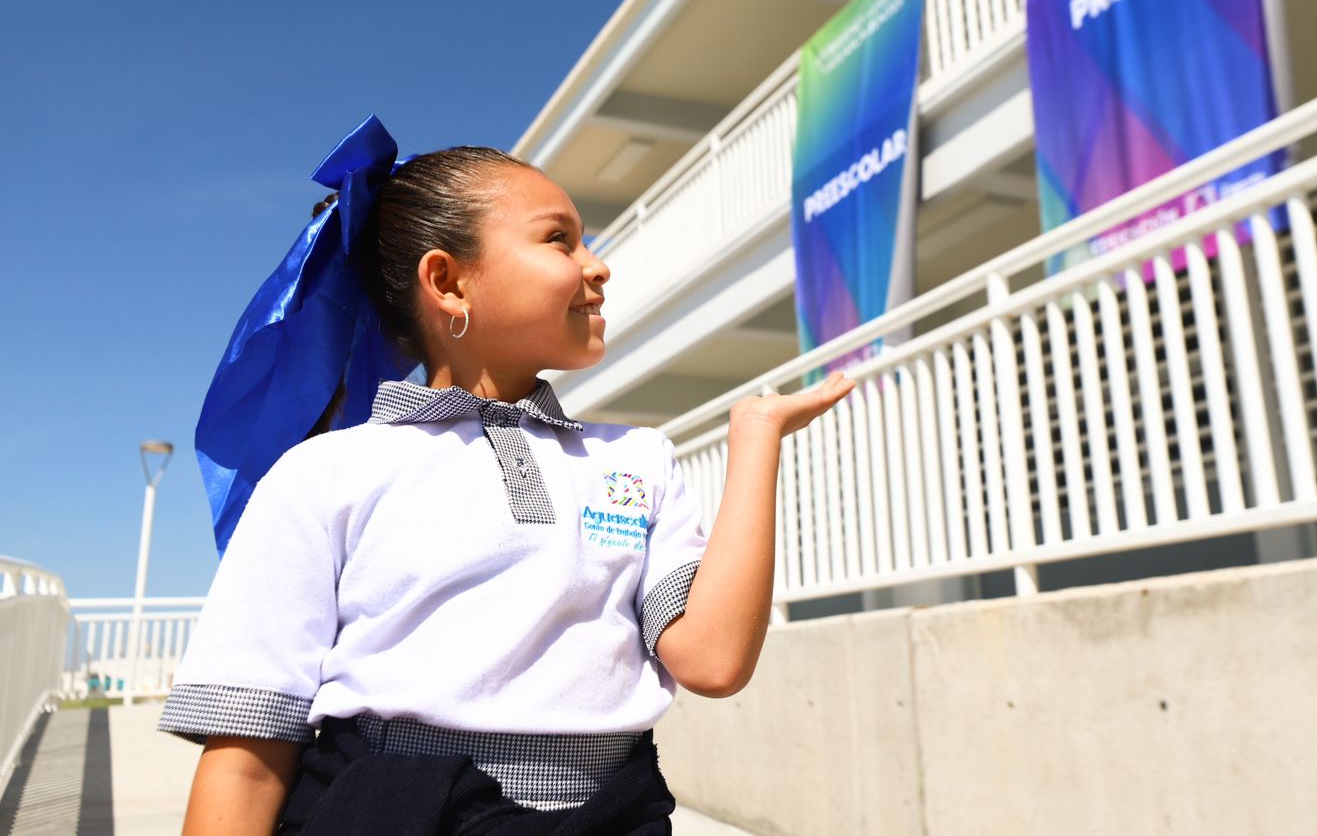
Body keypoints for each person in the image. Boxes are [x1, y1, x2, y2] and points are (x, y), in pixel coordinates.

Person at [159, 118, 852, 834]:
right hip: (388, 812)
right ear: (447, 281)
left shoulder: (637, 460)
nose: (597, 264)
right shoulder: (326, 472)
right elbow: (245, 754)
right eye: (560, 238)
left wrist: (756, 439)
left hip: (613, 816)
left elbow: (712, 660)